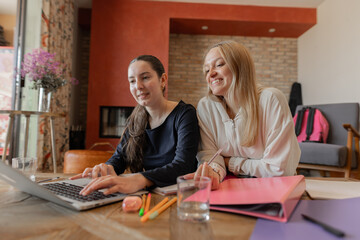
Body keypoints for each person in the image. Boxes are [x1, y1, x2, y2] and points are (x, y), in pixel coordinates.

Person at [71, 55, 200, 196]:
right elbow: (120, 157)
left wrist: (139, 179)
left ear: (162, 80)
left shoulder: (185, 114)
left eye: (145, 78)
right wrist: (106, 168)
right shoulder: (136, 118)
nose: (138, 86)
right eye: (132, 81)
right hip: (149, 194)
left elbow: (183, 165)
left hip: (181, 197)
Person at [185, 40, 300, 190]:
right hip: (230, 188)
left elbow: (280, 170)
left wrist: (230, 162)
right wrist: (213, 172)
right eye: (206, 70)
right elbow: (210, 156)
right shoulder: (206, 107)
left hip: (275, 189)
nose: (211, 74)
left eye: (219, 65)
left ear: (240, 67)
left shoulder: (271, 100)